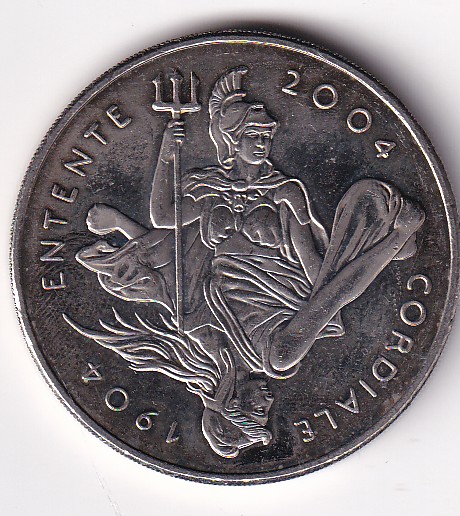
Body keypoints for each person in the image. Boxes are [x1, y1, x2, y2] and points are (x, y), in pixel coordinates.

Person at [70, 66, 424, 458]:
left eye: (265, 135)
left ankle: (381, 238)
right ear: (232, 140)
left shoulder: (284, 193)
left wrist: (130, 211)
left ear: (232, 402)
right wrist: (394, 241)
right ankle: (383, 239)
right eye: (255, 135)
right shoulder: (210, 189)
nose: (269, 402)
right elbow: (165, 216)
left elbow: (313, 269)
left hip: (274, 284)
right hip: (269, 294)